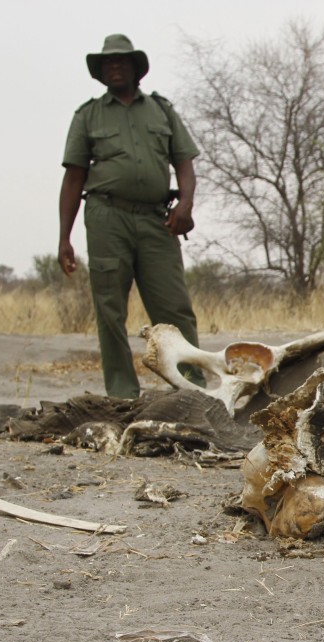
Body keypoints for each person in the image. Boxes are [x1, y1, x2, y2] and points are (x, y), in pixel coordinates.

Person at [58, 34, 204, 399]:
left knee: (175, 309)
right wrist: (65, 237)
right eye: (108, 62)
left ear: (136, 68)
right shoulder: (87, 115)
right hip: (107, 217)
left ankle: (193, 391)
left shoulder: (162, 109)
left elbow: (184, 161)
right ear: (101, 71)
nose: (115, 66)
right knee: (109, 311)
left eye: (122, 61)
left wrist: (185, 205)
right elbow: (74, 177)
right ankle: (122, 395)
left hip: (158, 221)